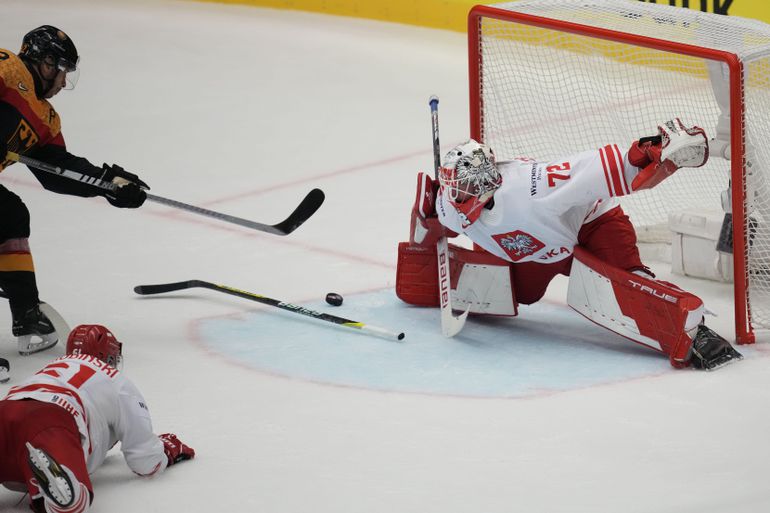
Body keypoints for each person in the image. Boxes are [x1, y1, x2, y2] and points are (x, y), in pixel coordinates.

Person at [397, 119, 743, 370]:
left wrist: (652, 150)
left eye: (458, 189)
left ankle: (694, 333)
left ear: (482, 186)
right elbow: (430, 218)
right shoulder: (448, 203)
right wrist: (423, 238)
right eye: (449, 187)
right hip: (534, 249)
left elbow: (597, 168)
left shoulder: (533, 188)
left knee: (628, 288)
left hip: (593, 227)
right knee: (513, 289)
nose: (450, 196)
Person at [0, 26, 149, 355]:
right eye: (62, 72)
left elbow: (56, 171)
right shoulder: (7, 68)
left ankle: (26, 314)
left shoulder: (46, 119)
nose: (64, 82)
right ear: (47, 63)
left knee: (10, 216)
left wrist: (107, 183)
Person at [0, 324, 194, 513]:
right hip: (50, 422)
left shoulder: (51, 367)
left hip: (6, 410)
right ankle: (56, 497)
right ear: (107, 356)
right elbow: (144, 460)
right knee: (74, 502)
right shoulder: (117, 381)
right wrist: (167, 450)